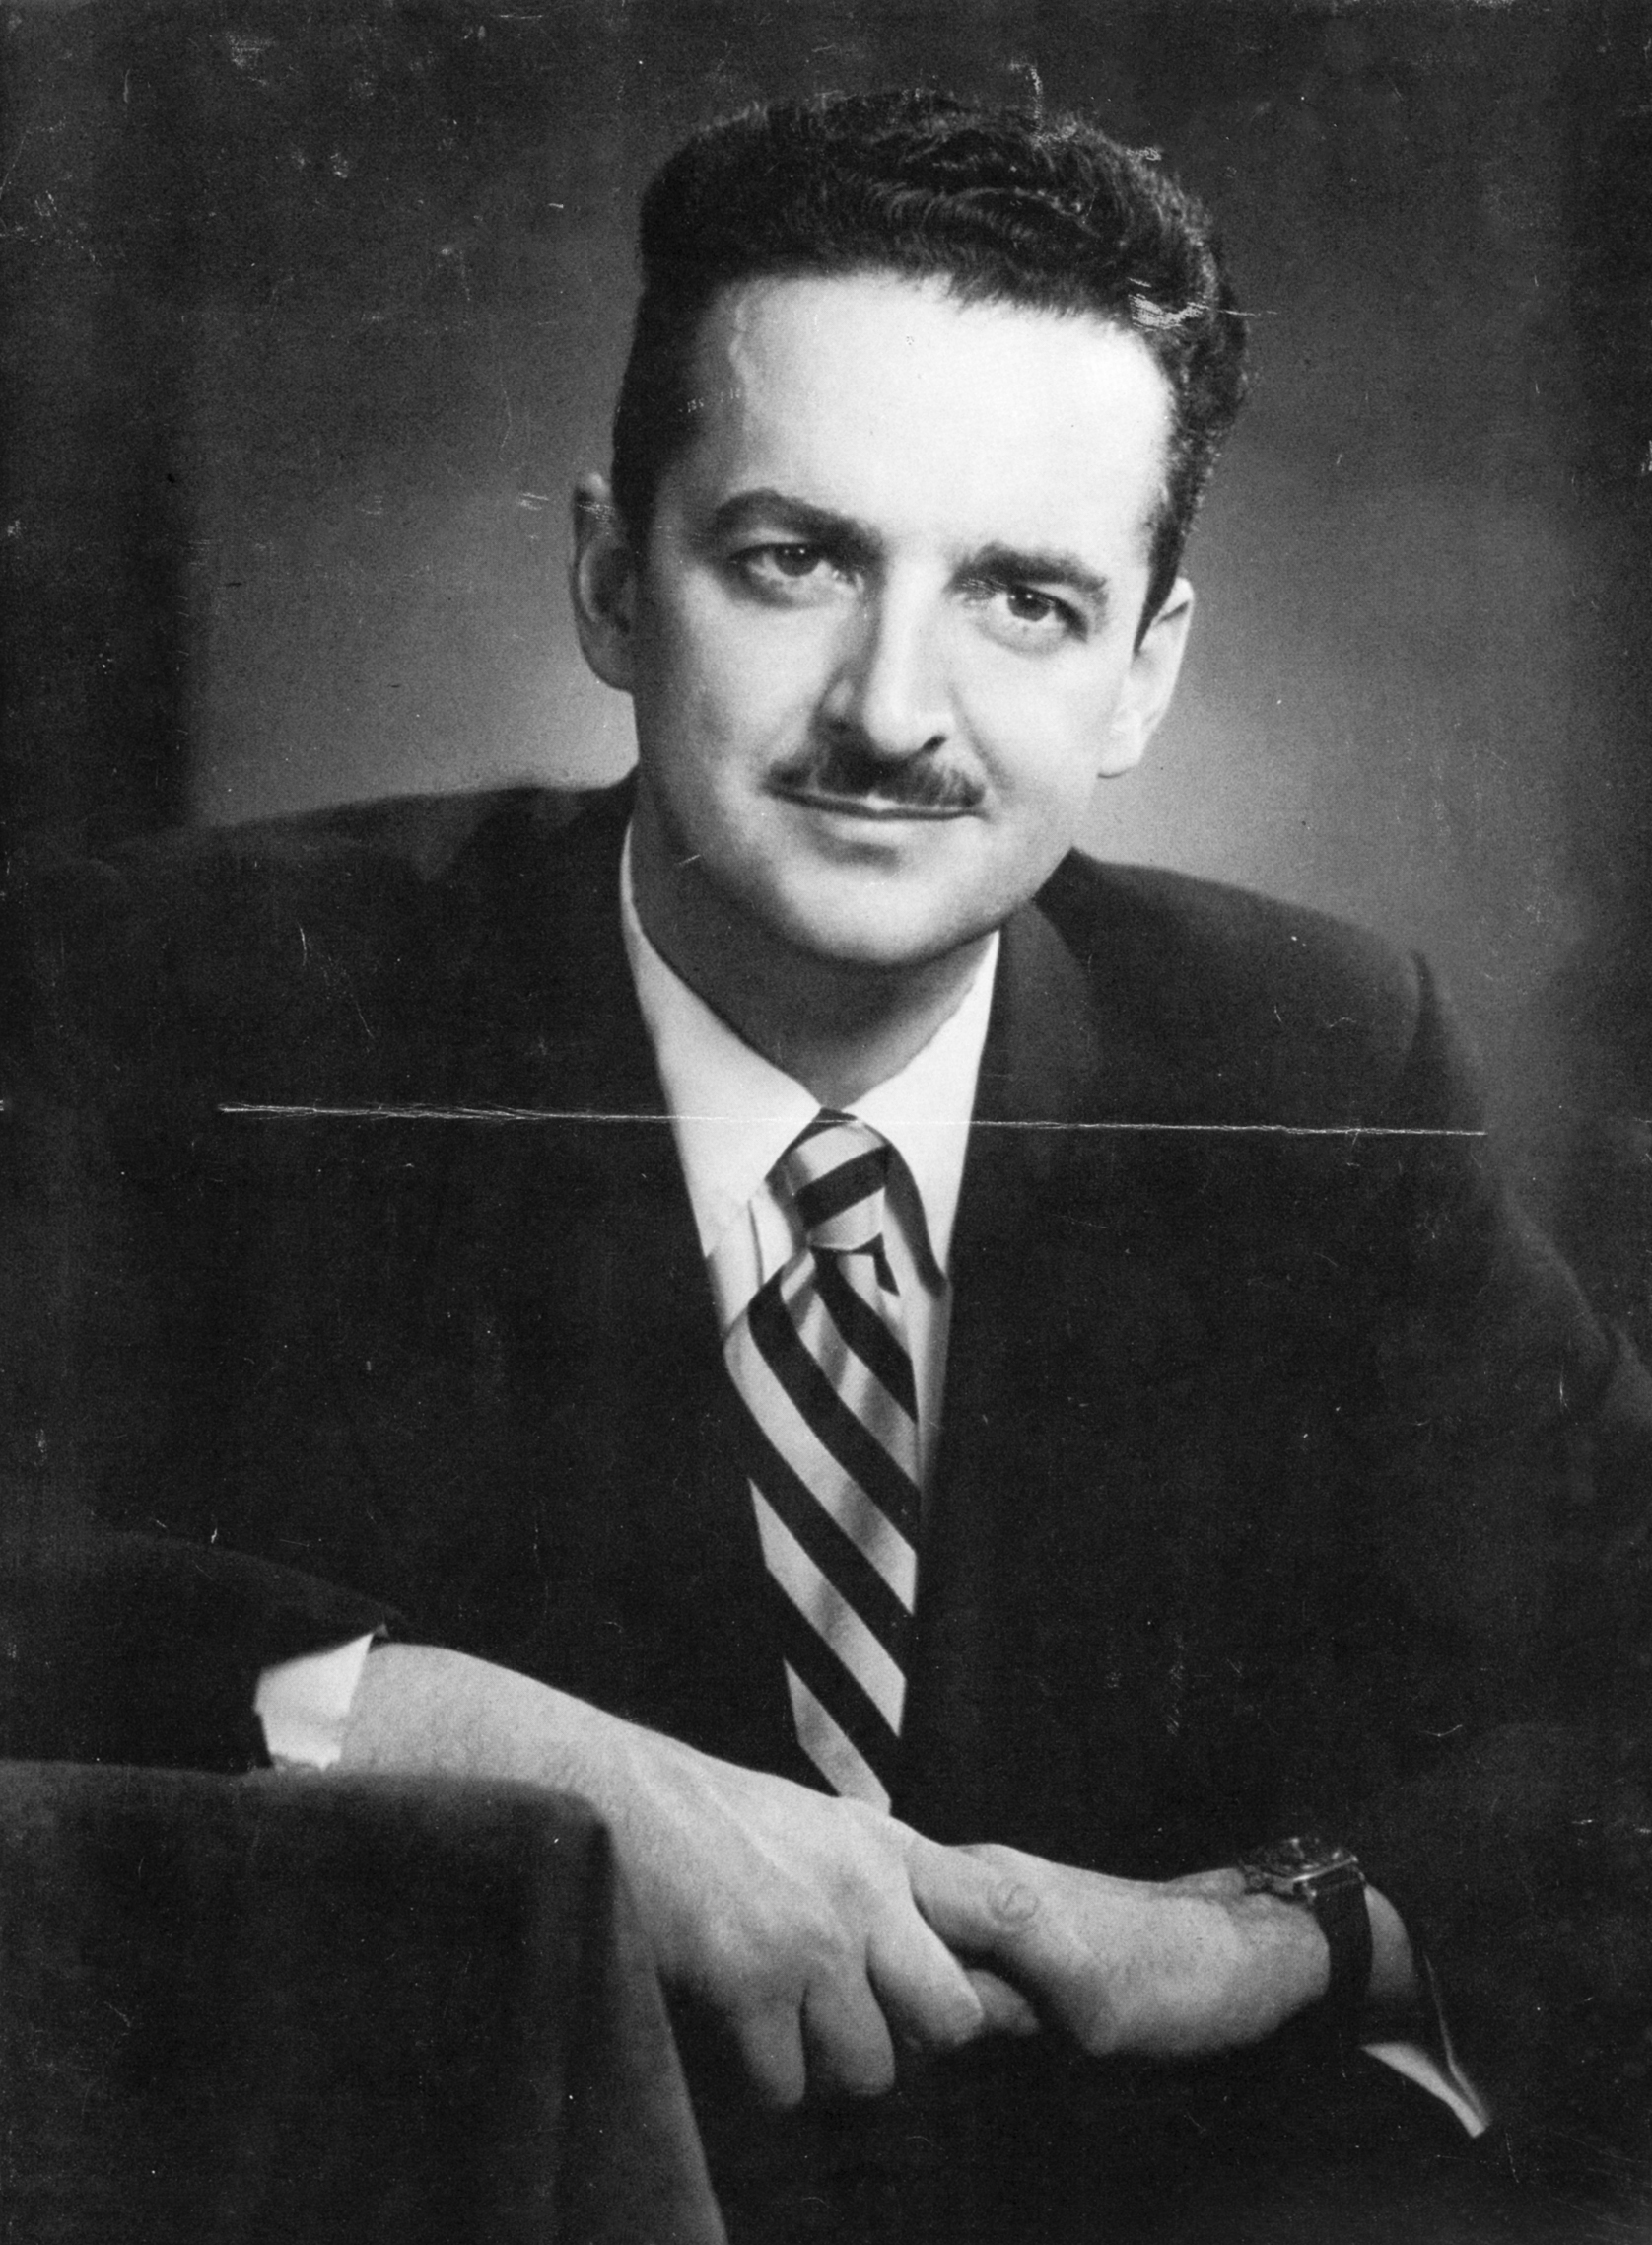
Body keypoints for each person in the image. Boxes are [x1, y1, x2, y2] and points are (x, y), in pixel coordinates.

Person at [11, 89, 1652, 2242]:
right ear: (612, 575)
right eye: (793, 558)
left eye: (1025, 601)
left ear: (1148, 666)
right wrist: (491, 1743)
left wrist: (1265, 1932)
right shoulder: (188, 993)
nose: (895, 705)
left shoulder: (1313, 1054)